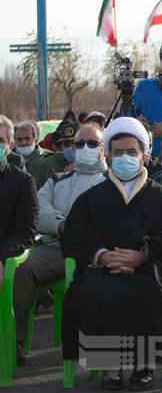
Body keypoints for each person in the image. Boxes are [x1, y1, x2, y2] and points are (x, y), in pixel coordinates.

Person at [60, 117, 162, 390]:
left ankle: (144, 365)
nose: (125, 157)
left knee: (153, 290)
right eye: (118, 152)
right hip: (104, 266)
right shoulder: (92, 197)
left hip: (150, 264)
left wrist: (143, 254)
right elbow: (76, 233)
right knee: (94, 290)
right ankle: (110, 368)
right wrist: (101, 255)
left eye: (132, 151)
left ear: (144, 155)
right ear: (108, 156)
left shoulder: (161, 196)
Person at [12, 123, 107, 363]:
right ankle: (13, 342)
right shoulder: (56, 180)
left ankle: (100, 352)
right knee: (23, 270)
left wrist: (69, 230)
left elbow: (107, 223)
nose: (85, 148)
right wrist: (63, 227)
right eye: (80, 144)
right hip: (56, 250)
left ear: (103, 149)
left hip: (95, 254)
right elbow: (38, 212)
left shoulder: (113, 182)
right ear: (73, 150)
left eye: (92, 144)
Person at [0, 115, 40, 349]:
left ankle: (9, 345)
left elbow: (26, 230)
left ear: (10, 146)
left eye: (0, 140)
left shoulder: (22, 181)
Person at [37, 122, 78, 188]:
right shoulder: (50, 162)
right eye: (66, 145)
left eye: (75, 144)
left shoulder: (92, 164)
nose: (71, 148)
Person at [13, 121, 49, 190]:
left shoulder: (46, 158)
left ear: (35, 140)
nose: (23, 143)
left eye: (27, 139)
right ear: (14, 141)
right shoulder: (8, 159)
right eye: (19, 139)